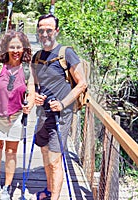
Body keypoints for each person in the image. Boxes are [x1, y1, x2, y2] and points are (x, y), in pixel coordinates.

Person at [30, 14, 87, 200]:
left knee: (55, 160)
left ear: (56, 31)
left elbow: (82, 84)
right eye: (41, 30)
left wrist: (62, 103)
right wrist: (36, 96)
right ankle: (48, 190)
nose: (44, 33)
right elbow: (36, 84)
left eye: (48, 30)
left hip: (61, 115)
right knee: (46, 154)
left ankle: (54, 197)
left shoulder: (66, 53)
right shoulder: (37, 57)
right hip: (43, 113)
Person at [0, 30, 35, 200]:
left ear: (24, 49)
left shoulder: (27, 69)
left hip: (16, 115)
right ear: (6, 48)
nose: (15, 51)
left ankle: (7, 186)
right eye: (12, 47)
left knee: (11, 151)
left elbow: (32, 92)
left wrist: (30, 105)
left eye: (19, 47)